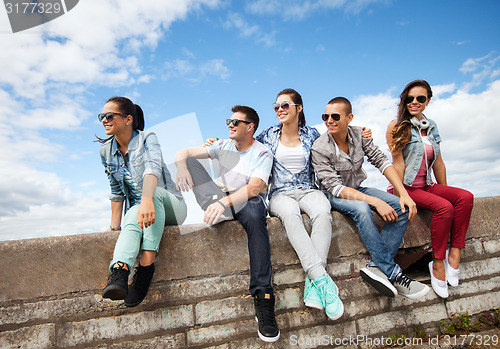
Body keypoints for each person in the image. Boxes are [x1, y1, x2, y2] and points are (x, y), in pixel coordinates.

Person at [174, 105, 280, 343]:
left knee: (255, 218)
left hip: (246, 200)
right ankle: (217, 208)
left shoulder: (262, 153)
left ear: (250, 127)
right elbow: (182, 152)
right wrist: (181, 166)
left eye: (235, 122)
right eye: (228, 122)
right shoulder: (222, 145)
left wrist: (225, 204)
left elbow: (255, 188)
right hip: (219, 198)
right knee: (191, 160)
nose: (230, 125)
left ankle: (263, 298)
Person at [311, 97, 430, 299]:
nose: (329, 120)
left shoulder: (360, 134)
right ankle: (393, 273)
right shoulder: (319, 147)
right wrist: (375, 202)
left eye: (335, 116)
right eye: (326, 116)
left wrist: (404, 194)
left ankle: (376, 267)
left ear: (349, 118)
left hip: (358, 187)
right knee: (362, 209)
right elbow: (334, 187)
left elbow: (381, 161)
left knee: (401, 208)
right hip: (333, 194)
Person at [255, 88, 344, 320]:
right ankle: (322, 280)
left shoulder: (312, 134)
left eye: (285, 105)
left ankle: (314, 283)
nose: (279, 110)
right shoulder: (267, 135)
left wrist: (362, 133)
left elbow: (338, 141)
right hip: (280, 194)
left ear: (299, 107)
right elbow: (244, 146)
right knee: (290, 215)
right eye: (276, 107)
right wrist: (216, 143)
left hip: (308, 189)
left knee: (323, 211)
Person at [386, 80, 474, 298]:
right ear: (404, 101)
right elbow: (397, 163)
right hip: (405, 188)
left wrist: (446, 191)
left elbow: (439, 162)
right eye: (410, 98)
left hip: (426, 186)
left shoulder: (431, 125)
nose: (414, 102)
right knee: (444, 208)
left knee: (465, 197)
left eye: (420, 98)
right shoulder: (396, 126)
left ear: (428, 101)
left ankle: (454, 253)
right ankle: (437, 263)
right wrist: (403, 194)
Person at [98, 96, 187, 307]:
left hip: (170, 205)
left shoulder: (147, 138)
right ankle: (119, 272)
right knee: (132, 214)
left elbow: (153, 167)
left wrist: (147, 199)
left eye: (109, 115)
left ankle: (146, 267)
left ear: (128, 119)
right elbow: (117, 192)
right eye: (102, 116)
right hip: (139, 211)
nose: (104, 120)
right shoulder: (105, 152)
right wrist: (113, 228)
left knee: (151, 194)